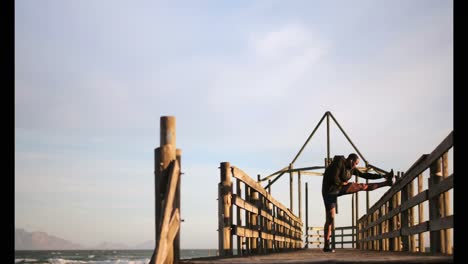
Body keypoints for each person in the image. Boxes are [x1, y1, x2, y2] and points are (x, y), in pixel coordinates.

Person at [321, 153, 395, 252]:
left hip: (339, 188)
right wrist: (344, 183)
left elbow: (365, 175)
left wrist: (382, 175)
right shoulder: (339, 163)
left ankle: (387, 182)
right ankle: (326, 246)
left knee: (362, 186)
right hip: (329, 191)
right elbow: (334, 179)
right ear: (351, 160)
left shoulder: (352, 169)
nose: (355, 166)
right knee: (331, 218)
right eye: (355, 163)